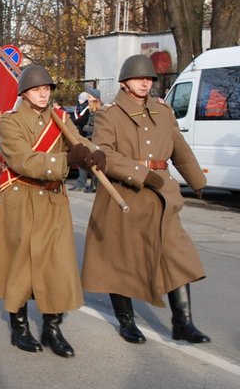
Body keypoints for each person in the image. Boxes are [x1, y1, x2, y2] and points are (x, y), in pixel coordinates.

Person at [82, 54, 210, 345]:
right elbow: (103, 153)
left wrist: (198, 181)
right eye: (139, 78)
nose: (145, 83)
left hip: (163, 195)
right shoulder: (109, 114)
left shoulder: (163, 111)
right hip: (125, 194)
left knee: (177, 255)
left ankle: (183, 323)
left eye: (149, 79)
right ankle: (127, 322)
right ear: (125, 82)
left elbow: (179, 147)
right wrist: (140, 173)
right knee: (122, 260)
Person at [0, 65, 105, 358]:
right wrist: (67, 160)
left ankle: (52, 328)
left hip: (53, 199)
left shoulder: (61, 118)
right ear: (25, 93)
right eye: (38, 89)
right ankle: (20, 327)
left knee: (57, 265)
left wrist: (94, 153)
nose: (43, 93)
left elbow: (78, 142)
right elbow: (23, 160)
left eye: (47, 89)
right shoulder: (10, 122)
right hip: (22, 197)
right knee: (22, 266)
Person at [81, 88, 102, 193]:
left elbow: (98, 129)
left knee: (95, 165)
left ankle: (96, 186)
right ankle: (93, 186)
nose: (87, 99)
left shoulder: (99, 113)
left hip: (95, 142)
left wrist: (85, 128)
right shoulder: (92, 112)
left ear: (95, 99)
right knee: (91, 166)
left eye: (89, 97)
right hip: (90, 141)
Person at [69, 91, 90, 191]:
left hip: (86, 138)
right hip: (77, 138)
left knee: (85, 163)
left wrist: (76, 122)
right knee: (79, 162)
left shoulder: (88, 110)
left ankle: (84, 183)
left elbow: (81, 121)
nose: (80, 102)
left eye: (82, 100)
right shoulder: (76, 109)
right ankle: (80, 182)